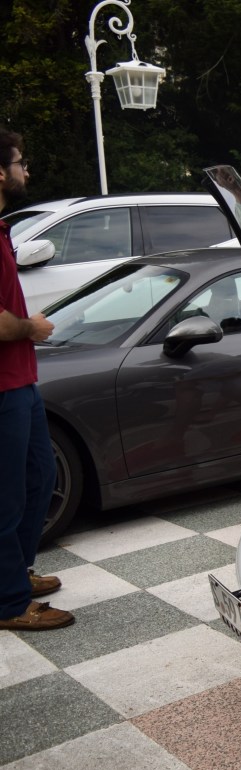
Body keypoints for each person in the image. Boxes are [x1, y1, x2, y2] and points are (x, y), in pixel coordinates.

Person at [0, 127, 72, 631]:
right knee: (6, 494)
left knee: (39, 477)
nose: (25, 170)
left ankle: (17, 575)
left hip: (20, 380)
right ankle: (8, 603)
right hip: (2, 387)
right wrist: (31, 327)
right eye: (19, 162)